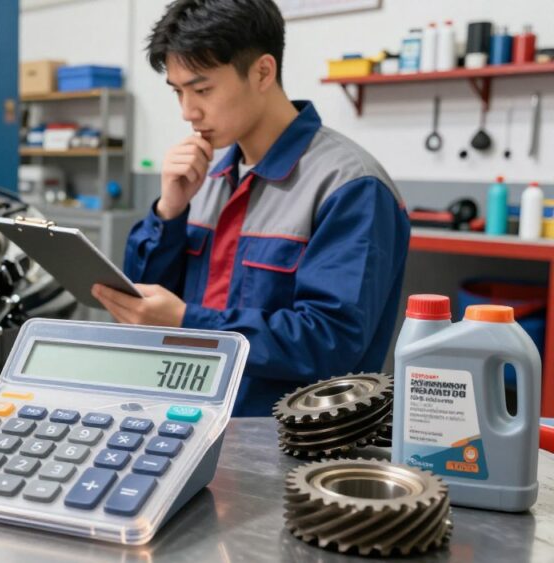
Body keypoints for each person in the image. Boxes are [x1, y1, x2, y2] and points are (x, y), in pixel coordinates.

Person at [91, 0, 410, 416]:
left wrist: (189, 323)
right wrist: (168, 211)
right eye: (178, 92)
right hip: (190, 418)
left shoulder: (350, 186)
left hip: (292, 440)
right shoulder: (204, 178)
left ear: (262, 72)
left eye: (202, 90)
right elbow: (142, 306)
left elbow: (331, 342)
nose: (188, 112)